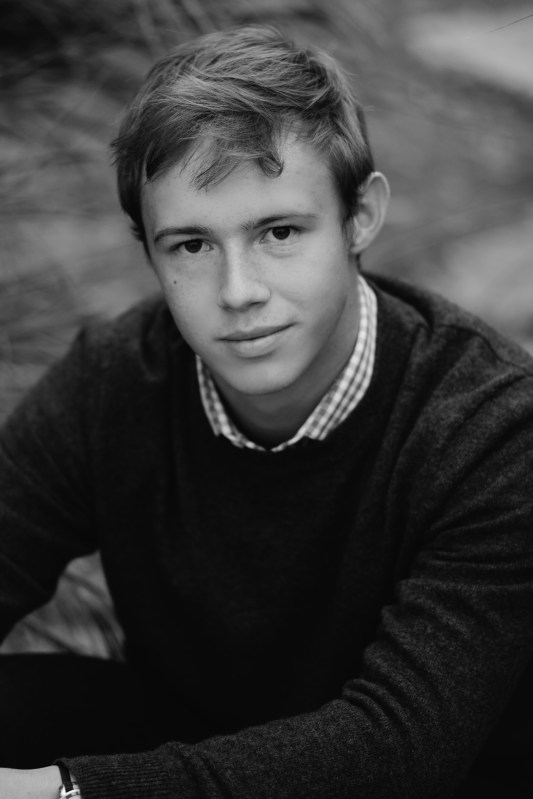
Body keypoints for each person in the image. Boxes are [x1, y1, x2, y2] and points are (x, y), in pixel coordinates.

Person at [0, 23, 532, 799]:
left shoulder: (492, 429)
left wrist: (62, 791)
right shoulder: (113, 382)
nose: (238, 291)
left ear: (360, 215)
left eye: (278, 232)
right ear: (148, 250)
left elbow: (399, 747)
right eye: (191, 246)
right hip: (195, 745)